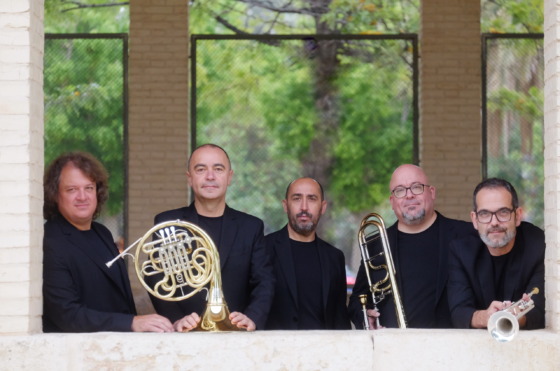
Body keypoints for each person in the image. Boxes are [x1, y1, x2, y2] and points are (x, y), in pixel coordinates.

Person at [42, 152, 174, 333]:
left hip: (116, 348)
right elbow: (67, 315)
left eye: (89, 188)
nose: (82, 197)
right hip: (77, 354)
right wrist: (131, 323)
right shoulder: (49, 241)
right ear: (55, 195)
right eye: (72, 189)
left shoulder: (101, 233)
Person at [150, 144, 275, 332]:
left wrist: (252, 317)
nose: (210, 176)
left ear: (229, 177)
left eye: (218, 169)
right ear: (189, 178)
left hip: (236, 333)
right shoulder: (167, 223)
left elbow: (264, 281)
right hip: (185, 334)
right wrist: (176, 320)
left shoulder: (250, 227)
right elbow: (156, 277)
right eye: (201, 169)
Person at [348, 164, 475, 329]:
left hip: (453, 347)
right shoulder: (375, 245)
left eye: (416, 187)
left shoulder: (466, 235)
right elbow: (357, 300)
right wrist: (364, 316)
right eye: (400, 190)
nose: (409, 195)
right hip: (394, 348)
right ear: (392, 202)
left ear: (432, 192)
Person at [448, 178, 545, 330]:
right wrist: (486, 317)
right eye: (485, 214)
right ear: (474, 219)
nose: (494, 222)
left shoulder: (538, 245)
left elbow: (542, 311)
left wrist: (513, 315)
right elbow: (458, 312)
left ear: (518, 216)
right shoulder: (461, 251)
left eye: (503, 212)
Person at [264, 177, 351, 330]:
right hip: (275, 351)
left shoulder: (334, 257)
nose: (304, 207)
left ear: (322, 207)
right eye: (297, 199)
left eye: (312, 199)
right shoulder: (263, 250)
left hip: (324, 351)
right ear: (286, 205)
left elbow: (340, 318)